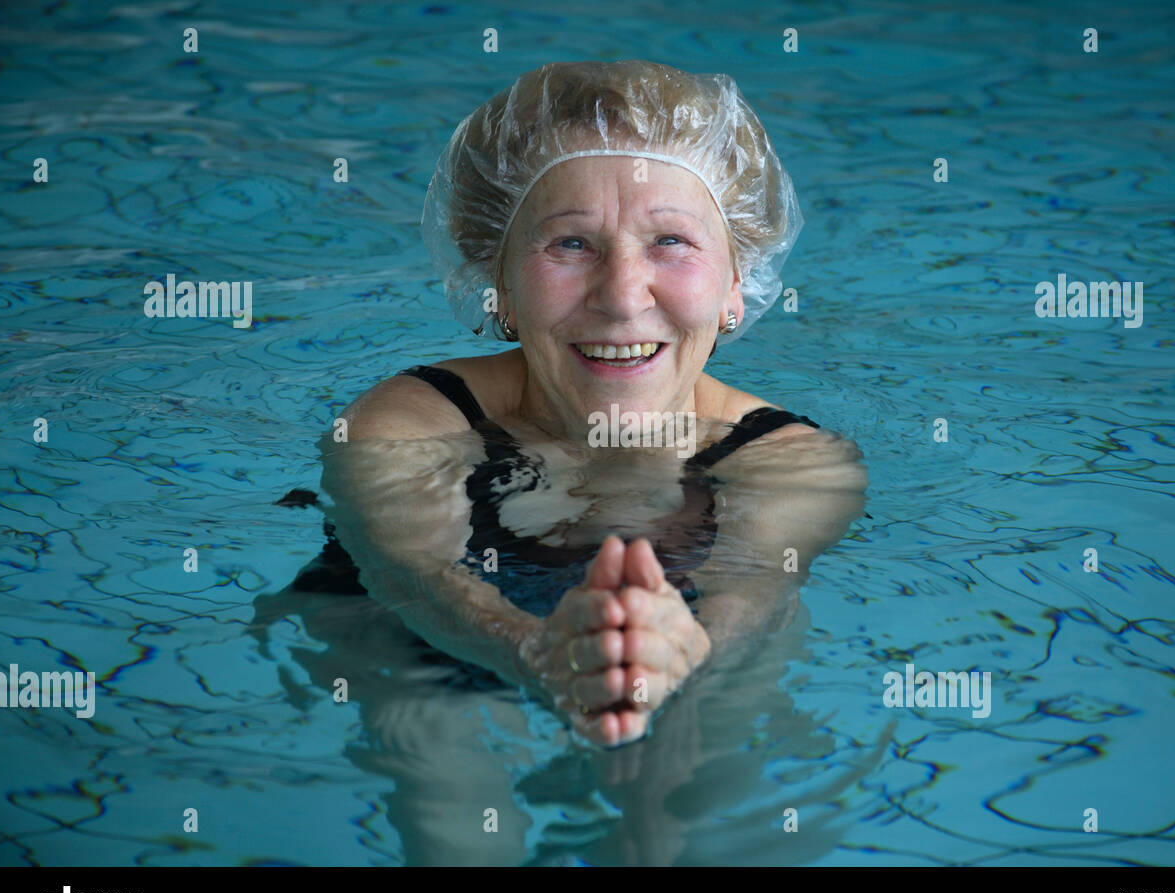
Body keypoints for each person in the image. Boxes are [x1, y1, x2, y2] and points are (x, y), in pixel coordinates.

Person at [298, 60, 867, 748]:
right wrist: (535, 654)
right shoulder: (405, 424)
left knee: (704, 752)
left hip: (678, 667)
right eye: (570, 243)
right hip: (414, 646)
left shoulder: (792, 462)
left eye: (671, 241)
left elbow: (745, 607)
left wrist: (680, 657)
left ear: (735, 284)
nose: (623, 296)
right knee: (444, 799)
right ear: (498, 281)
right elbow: (415, 575)